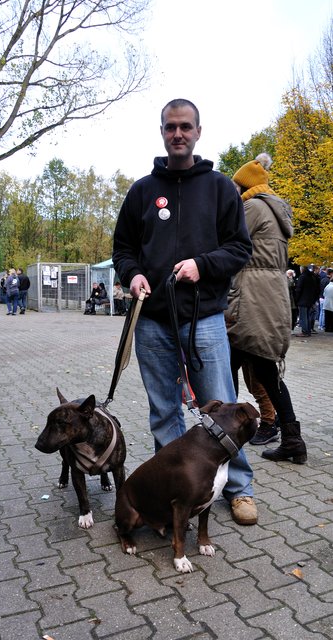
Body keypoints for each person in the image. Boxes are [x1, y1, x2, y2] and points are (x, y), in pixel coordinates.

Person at [113, 98, 257, 526]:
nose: (178, 133)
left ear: (198, 131)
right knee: (164, 412)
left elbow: (240, 248)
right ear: (162, 132)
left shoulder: (219, 188)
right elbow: (123, 248)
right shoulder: (142, 190)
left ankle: (239, 489)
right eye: (170, 127)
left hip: (206, 320)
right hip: (153, 322)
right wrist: (133, 275)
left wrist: (202, 265)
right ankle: (174, 491)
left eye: (185, 127)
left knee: (224, 412)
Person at [227, 153, 307, 464]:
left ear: (244, 185)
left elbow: (228, 244)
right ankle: (292, 439)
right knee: (264, 370)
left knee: (226, 365)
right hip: (270, 295)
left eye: (236, 185)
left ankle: (224, 434)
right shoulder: (275, 209)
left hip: (251, 297)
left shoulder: (251, 208)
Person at [294, 266, 320, 337]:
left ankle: (305, 331)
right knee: (308, 316)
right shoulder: (312, 277)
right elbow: (316, 289)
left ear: (302, 269)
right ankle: (308, 330)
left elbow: (299, 289)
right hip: (310, 300)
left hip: (303, 300)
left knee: (303, 316)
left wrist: (296, 299)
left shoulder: (302, 277)